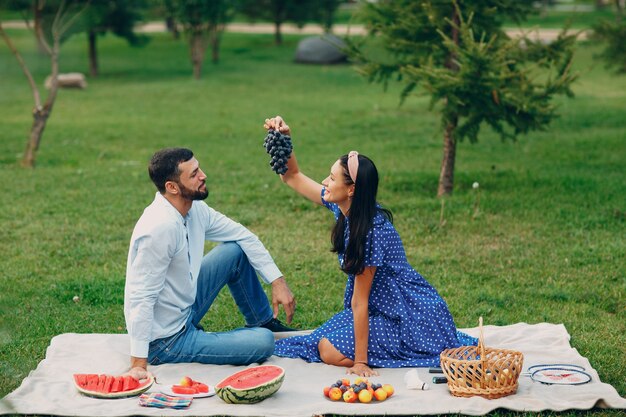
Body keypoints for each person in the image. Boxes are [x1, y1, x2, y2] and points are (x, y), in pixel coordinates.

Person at [263, 116, 477, 377]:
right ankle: (372, 347)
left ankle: (381, 352)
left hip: (409, 317)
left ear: (351, 189)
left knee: (328, 349)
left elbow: (360, 301)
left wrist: (360, 362)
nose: (325, 182)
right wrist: (284, 138)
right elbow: (292, 176)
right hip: (382, 310)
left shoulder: (371, 232)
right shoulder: (345, 208)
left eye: (331, 178)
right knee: (317, 340)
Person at [124, 147, 297, 380]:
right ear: (172, 187)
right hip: (166, 340)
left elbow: (243, 235)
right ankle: (253, 334)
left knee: (234, 250)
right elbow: (141, 297)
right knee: (264, 342)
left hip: (185, 306)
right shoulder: (159, 229)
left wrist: (277, 280)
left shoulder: (195, 209)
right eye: (194, 174)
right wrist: (138, 363)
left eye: (199, 168)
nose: (203, 175)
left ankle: (263, 320)